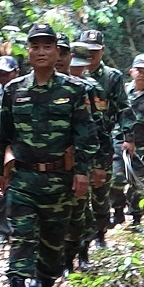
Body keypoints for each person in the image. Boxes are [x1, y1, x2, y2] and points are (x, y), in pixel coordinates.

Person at [0, 23, 97, 287]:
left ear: (56, 51)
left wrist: (82, 172)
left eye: (47, 46)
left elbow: (84, 135)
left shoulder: (75, 90)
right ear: (28, 52)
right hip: (24, 177)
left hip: (59, 178)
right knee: (22, 234)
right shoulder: (14, 90)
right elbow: (1, 136)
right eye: (35, 46)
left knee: (53, 237)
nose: (41, 52)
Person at [74, 30, 132, 235]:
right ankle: (82, 240)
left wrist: (127, 137)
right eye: (85, 50)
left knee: (100, 192)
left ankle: (100, 232)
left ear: (102, 51)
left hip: (105, 141)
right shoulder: (74, 74)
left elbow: (123, 110)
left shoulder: (112, 77)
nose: (90, 55)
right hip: (79, 144)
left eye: (94, 51)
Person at [64, 51, 109, 271]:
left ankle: (80, 253)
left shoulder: (88, 89)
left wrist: (99, 164)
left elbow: (98, 128)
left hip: (81, 161)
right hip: (51, 165)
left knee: (80, 213)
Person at [111, 54, 144, 232]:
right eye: (138, 71)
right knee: (115, 179)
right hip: (121, 144)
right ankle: (118, 209)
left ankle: (136, 219)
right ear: (131, 71)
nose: (141, 75)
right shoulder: (122, 93)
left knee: (138, 185)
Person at [0, 55, 20, 250]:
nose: (3, 78)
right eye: (0, 74)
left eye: (6, 74)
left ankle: (17, 229)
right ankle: (2, 231)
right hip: (0, 149)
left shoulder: (22, 91)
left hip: (21, 149)